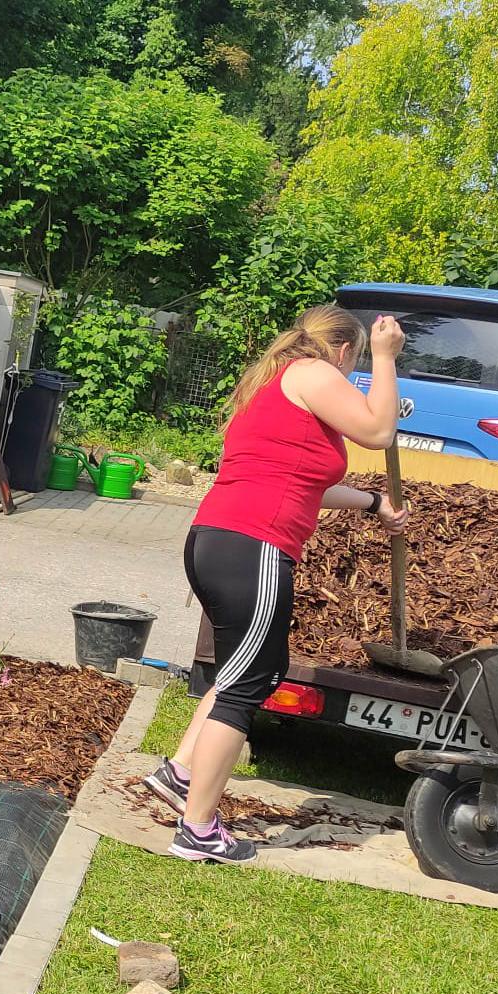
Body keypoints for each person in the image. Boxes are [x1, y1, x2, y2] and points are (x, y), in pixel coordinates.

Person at [145, 305, 409, 864]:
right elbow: (378, 429)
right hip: (256, 544)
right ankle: (198, 830)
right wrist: (386, 361)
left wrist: (369, 503)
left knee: (239, 668)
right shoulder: (315, 374)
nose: (356, 370)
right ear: (343, 352)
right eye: (357, 360)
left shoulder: (274, 381)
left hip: (217, 537)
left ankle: (181, 773)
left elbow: (300, 479)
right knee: (251, 681)